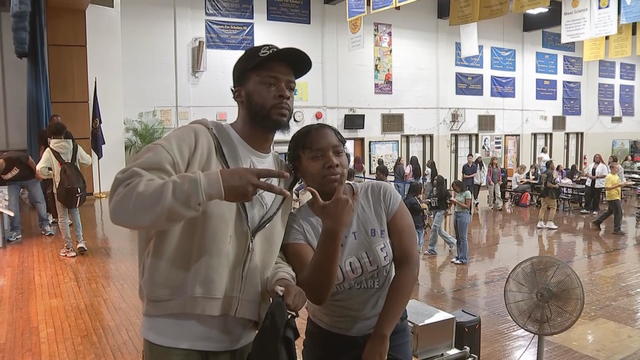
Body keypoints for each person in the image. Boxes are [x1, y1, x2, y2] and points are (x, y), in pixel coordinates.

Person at [108, 44, 311, 357]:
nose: (284, 93)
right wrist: (211, 185)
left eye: (290, 86)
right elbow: (123, 199)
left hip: (244, 340)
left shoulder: (282, 173)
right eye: (270, 83)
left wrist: (282, 280)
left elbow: (265, 253)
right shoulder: (195, 140)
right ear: (238, 93)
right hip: (175, 339)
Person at [282, 123, 417, 360]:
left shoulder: (380, 195)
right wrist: (333, 228)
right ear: (298, 168)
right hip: (330, 340)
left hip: (389, 327)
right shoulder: (297, 225)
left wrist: (382, 335)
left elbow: (408, 264)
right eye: (316, 156)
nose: (332, 161)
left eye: (338, 152)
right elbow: (317, 293)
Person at [37, 122, 92, 257]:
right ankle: (80, 242)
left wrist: (51, 175)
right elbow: (88, 161)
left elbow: (39, 169)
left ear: (50, 135)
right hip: (75, 188)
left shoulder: (50, 151)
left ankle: (69, 248)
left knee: (62, 218)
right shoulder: (74, 146)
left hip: (60, 189)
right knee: (75, 213)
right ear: (64, 132)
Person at [0, 151, 54, 243]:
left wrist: (36, 172)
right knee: (12, 205)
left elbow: (29, 159)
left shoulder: (12, 156)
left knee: (39, 200)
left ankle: (45, 225)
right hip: (13, 183)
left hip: (30, 178)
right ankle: (15, 231)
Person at [592, 163, 631, 235]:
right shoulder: (609, 177)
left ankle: (597, 222)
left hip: (617, 196)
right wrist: (618, 185)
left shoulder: (616, 176)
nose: (618, 169)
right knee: (619, 212)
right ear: (612, 168)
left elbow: (618, 185)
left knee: (610, 211)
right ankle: (617, 229)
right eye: (616, 168)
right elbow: (607, 188)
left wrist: (623, 185)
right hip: (612, 197)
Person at [425, 175, 457, 256]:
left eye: (436, 180)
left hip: (441, 210)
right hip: (434, 210)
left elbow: (451, 200)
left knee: (434, 227)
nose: (434, 181)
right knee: (439, 230)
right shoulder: (432, 190)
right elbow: (429, 199)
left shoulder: (444, 191)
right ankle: (452, 242)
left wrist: (447, 209)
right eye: (434, 179)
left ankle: (431, 249)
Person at [450, 180, 472, 265]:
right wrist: (453, 202)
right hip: (457, 213)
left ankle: (464, 258)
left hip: (463, 215)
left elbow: (467, 206)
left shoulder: (467, 193)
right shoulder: (457, 193)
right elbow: (456, 204)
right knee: (458, 237)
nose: (455, 190)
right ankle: (459, 255)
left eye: (456, 188)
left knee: (463, 237)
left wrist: (456, 202)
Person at [537, 160, 559, 230]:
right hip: (549, 193)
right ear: (550, 165)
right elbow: (548, 184)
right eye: (553, 164)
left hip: (543, 192)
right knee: (553, 206)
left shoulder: (543, 173)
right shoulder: (550, 173)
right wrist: (555, 186)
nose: (554, 165)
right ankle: (550, 222)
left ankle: (540, 222)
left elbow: (540, 182)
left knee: (543, 207)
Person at [404, 182, 426, 252]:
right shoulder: (413, 201)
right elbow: (418, 209)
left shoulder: (407, 198)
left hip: (413, 223)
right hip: (416, 223)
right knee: (418, 242)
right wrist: (424, 208)